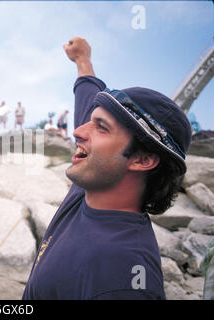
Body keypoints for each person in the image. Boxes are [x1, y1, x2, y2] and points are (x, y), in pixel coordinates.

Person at [22, 37, 192, 300]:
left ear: (142, 160)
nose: (78, 131)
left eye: (101, 127)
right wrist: (82, 60)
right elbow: (87, 100)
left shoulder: (123, 276)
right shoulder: (93, 181)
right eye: (91, 121)